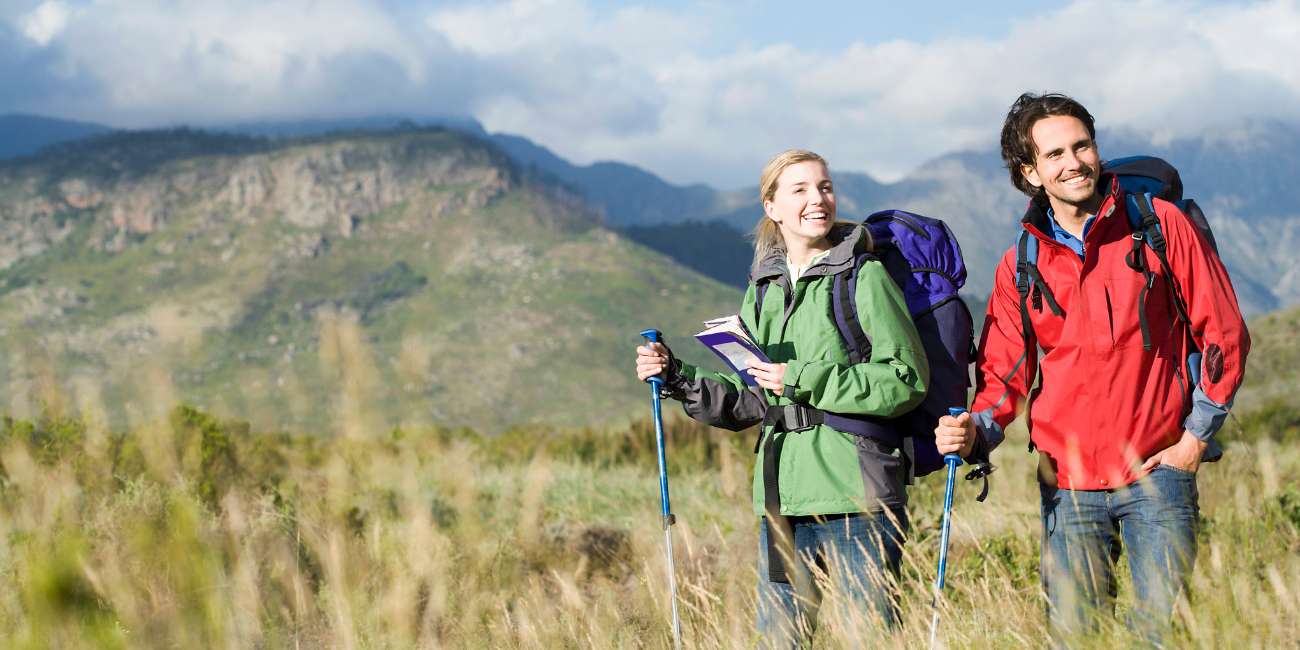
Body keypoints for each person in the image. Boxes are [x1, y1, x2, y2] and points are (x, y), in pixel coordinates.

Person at [934, 92, 1250, 645]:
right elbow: (1003, 376)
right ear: (1030, 172)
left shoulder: (1159, 225)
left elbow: (1222, 331)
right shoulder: (1020, 263)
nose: (1074, 161)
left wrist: (1194, 441)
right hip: (1069, 489)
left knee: (1159, 636)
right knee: (1077, 640)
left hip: (1159, 474)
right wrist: (974, 432)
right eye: (1054, 154)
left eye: (1082, 145)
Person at [635, 149, 929, 646]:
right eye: (801, 190)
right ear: (771, 207)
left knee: (871, 639)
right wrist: (678, 377)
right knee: (780, 642)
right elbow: (753, 396)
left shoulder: (865, 276)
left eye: (825, 187)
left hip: (858, 495)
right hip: (782, 498)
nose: (819, 199)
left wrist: (802, 377)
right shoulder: (764, 290)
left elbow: (905, 379)